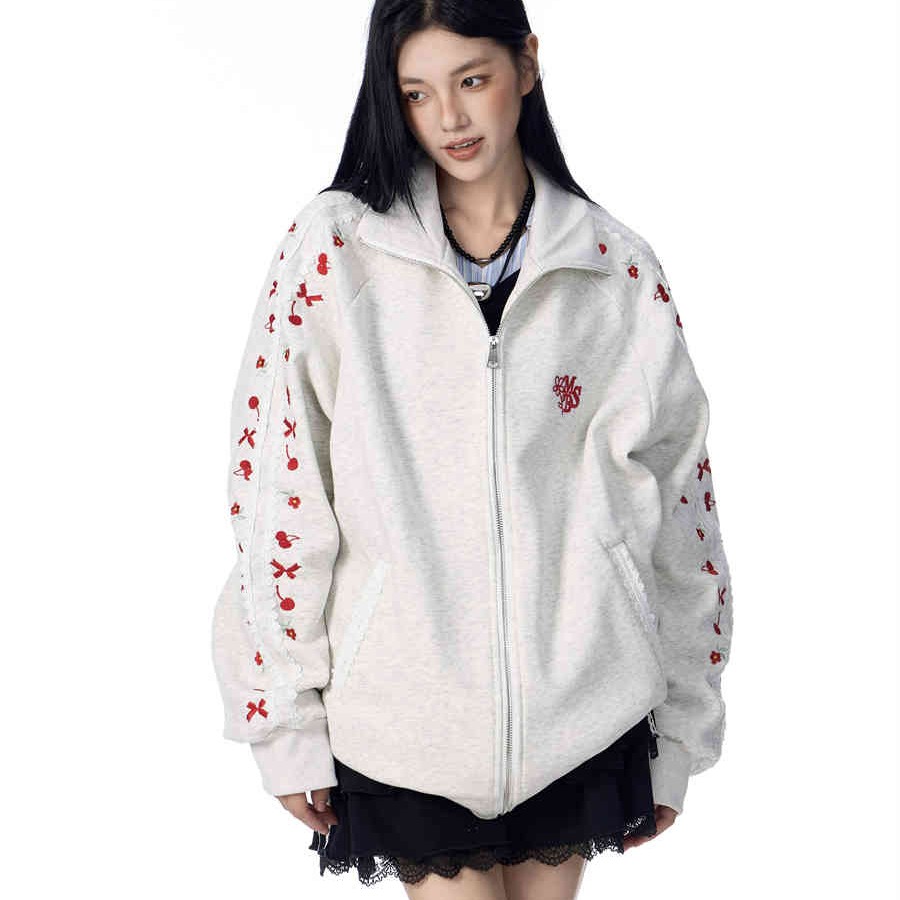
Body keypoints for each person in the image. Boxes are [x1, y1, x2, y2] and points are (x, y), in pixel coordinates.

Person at [210, 1, 734, 897]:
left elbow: (683, 509)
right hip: (406, 717)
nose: (448, 118)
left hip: (580, 705)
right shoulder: (337, 252)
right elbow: (278, 487)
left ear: (526, 65)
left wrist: (684, 729)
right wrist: (283, 718)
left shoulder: (614, 270)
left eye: (472, 80)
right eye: (416, 93)